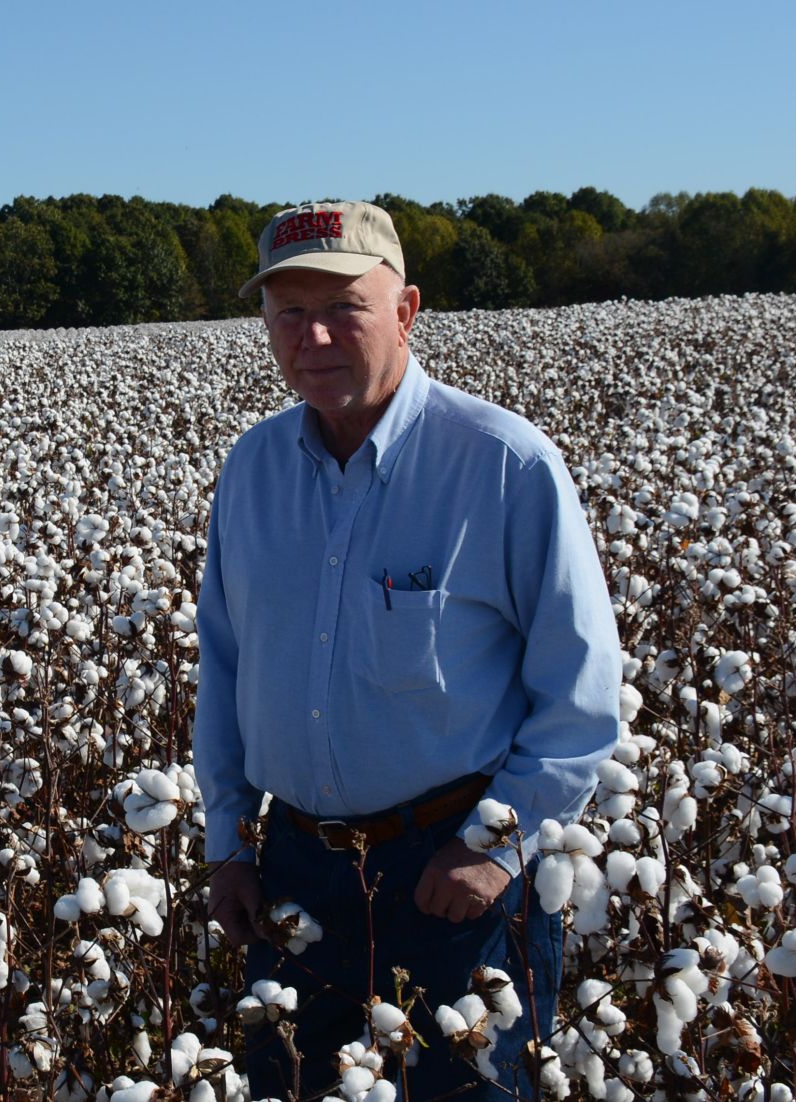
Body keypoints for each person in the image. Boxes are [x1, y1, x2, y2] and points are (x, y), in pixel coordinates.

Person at [192, 203, 620, 1100]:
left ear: (407, 311)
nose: (311, 335)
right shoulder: (251, 470)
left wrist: (491, 851)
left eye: (343, 306)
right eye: (286, 312)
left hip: (450, 884)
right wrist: (229, 844)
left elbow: (580, 699)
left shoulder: (505, 466)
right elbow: (227, 672)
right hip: (295, 873)